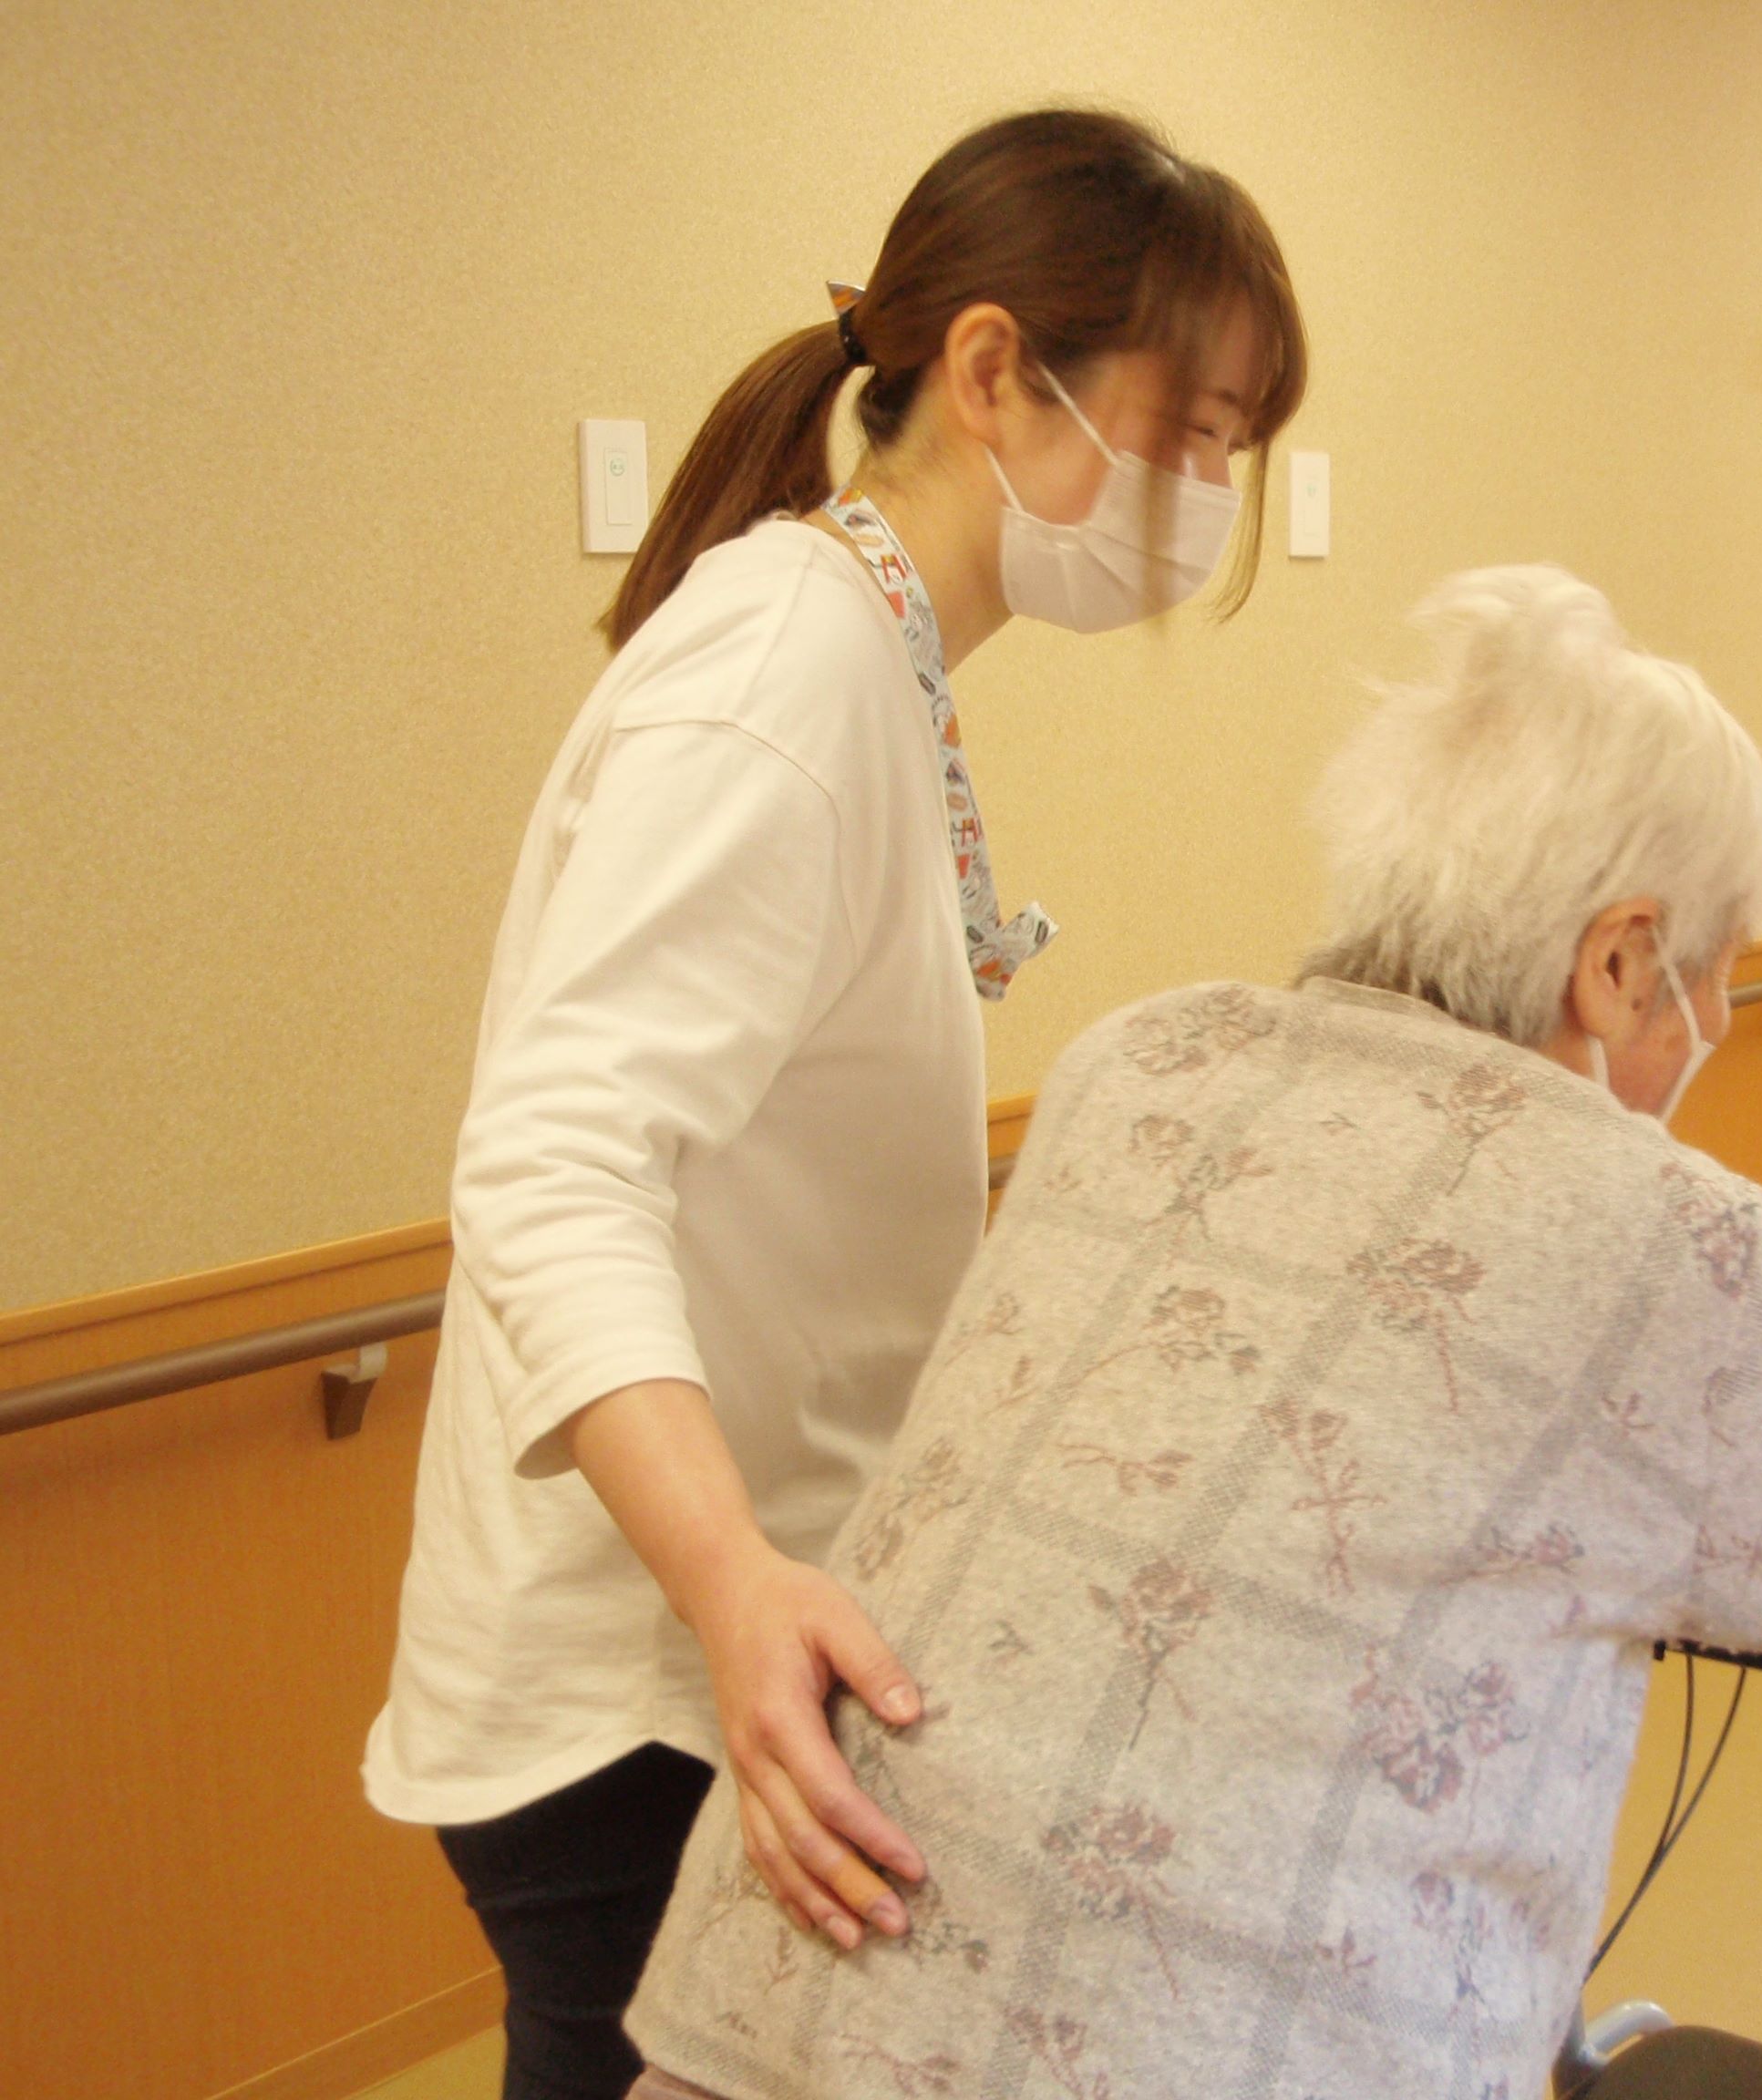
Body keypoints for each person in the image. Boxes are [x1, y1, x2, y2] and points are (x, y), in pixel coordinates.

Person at [619, 566, 1762, 2100]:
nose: (1724, 1018)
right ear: (1619, 961)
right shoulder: (1662, 1223)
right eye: (1718, 968)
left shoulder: (1137, 1060)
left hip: (765, 2005)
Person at [361, 108, 1307, 2100]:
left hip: (723, 1650)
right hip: (645, 1691)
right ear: (993, 370)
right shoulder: (783, 667)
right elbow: (551, 1164)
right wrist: (733, 1583)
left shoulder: (870, 652)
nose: (1216, 495)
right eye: (1197, 430)